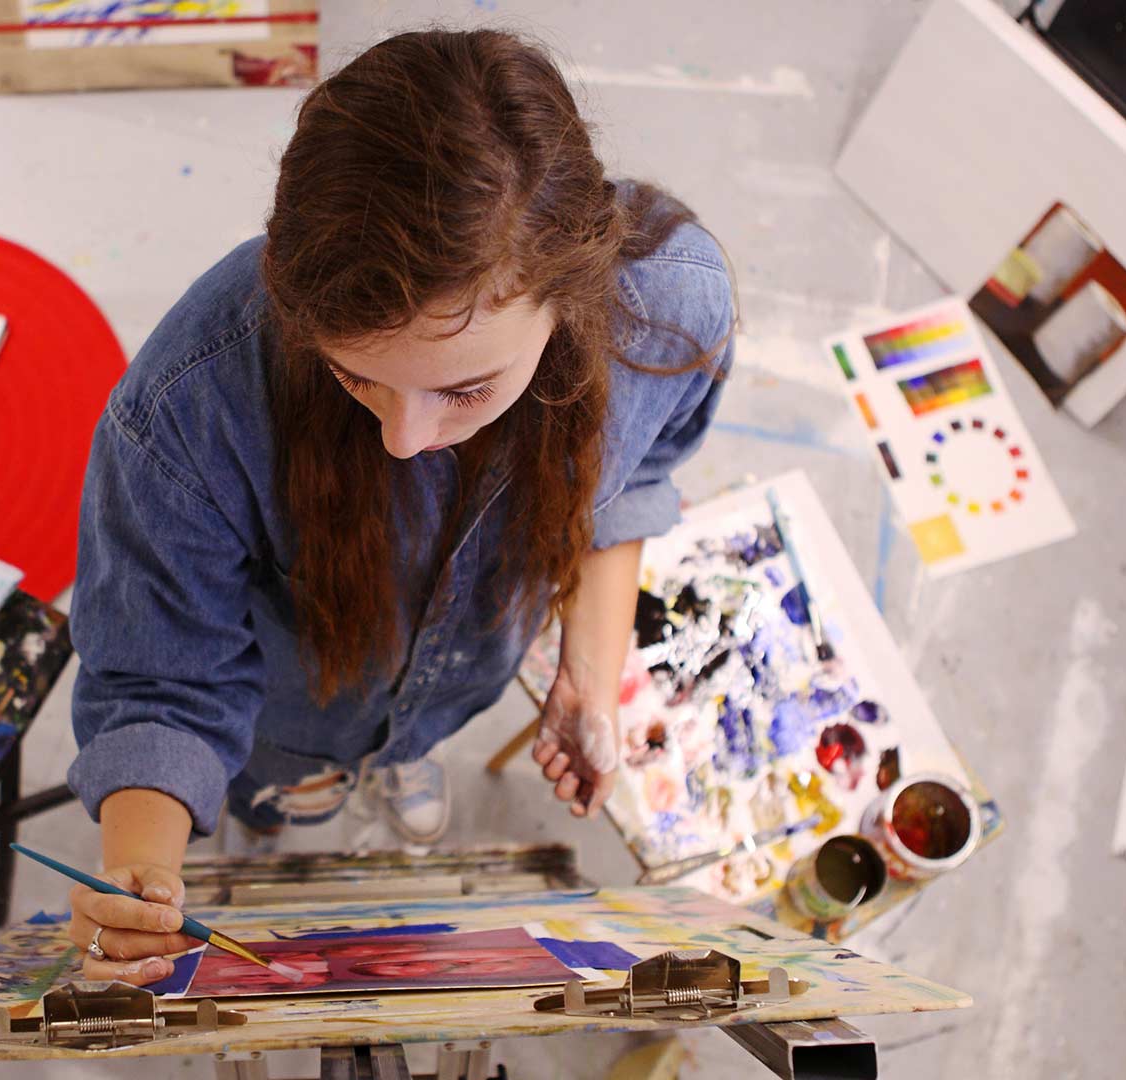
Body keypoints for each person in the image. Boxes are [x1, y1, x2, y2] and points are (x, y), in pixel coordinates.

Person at [63, 28, 735, 986]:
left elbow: (632, 479)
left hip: (462, 677)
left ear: (570, 292)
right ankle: (309, 783)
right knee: (284, 789)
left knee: (410, 736)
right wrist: (145, 871)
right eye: (355, 378)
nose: (403, 440)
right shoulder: (188, 405)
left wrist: (588, 668)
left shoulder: (673, 303)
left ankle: (405, 752)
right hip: (288, 715)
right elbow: (161, 677)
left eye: (463, 390)